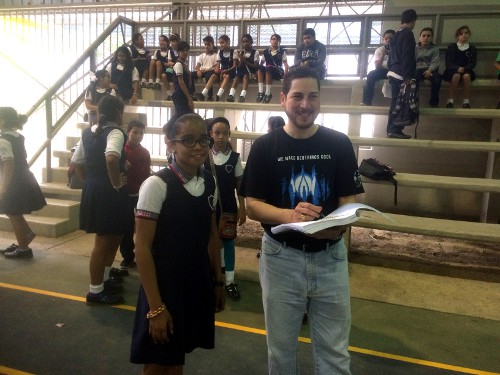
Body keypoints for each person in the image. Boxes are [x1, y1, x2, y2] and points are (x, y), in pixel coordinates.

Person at [240, 66, 364, 374]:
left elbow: (349, 202)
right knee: (281, 353)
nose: (305, 104)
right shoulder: (265, 147)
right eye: (297, 96)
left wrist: (335, 225)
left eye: (312, 96)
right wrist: (291, 217)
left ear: (320, 100)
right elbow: (252, 205)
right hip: (281, 258)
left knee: (335, 353)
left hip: (330, 257)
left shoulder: (338, 144)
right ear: (282, 99)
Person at [130, 113, 225, 374]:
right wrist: (156, 307)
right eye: (188, 140)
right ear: (171, 144)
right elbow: (142, 248)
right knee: (159, 361)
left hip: (195, 283)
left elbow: (212, 237)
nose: (198, 146)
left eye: (203, 139)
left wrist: (217, 281)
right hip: (164, 287)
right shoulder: (156, 185)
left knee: (176, 358)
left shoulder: (208, 183)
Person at [71, 95, 134, 305]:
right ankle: (95, 291)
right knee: (103, 242)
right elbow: (111, 157)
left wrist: (90, 181)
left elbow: (77, 161)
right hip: (110, 192)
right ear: (118, 113)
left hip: (96, 188)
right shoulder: (115, 132)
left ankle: (104, 281)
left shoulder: (89, 132)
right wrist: (115, 182)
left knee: (114, 236)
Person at [206, 117, 246, 301]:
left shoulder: (235, 158)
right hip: (207, 209)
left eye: (225, 133)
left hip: (228, 208)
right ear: (211, 134)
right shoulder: (204, 156)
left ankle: (229, 281)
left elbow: (240, 185)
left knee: (228, 243)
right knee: (209, 242)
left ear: (229, 135)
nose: (221, 137)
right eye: (217, 133)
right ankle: (212, 278)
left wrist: (242, 208)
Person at [0, 107, 46, 259]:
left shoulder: (3, 139)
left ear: (3, 121)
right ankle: (26, 235)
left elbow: (8, 164)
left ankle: (24, 248)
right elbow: (23, 155)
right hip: (24, 176)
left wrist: (3, 187)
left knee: (12, 212)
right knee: (14, 211)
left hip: (13, 181)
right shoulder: (18, 136)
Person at [119, 120, 151, 270]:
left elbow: (146, 174)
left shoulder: (144, 153)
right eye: (135, 132)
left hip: (140, 194)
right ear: (128, 132)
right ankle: (127, 256)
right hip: (123, 194)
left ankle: (144, 256)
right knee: (126, 225)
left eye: (141, 133)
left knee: (143, 226)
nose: (138, 136)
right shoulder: (120, 150)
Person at [386, 9, 418, 139]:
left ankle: (390, 129)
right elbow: (407, 56)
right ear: (413, 21)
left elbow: (390, 58)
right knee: (401, 102)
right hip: (401, 73)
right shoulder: (408, 34)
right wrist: (407, 77)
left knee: (394, 102)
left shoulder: (395, 36)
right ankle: (395, 129)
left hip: (393, 71)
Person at [442, 25, 477, 109]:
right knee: (456, 76)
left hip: (466, 70)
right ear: (457, 36)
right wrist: (457, 68)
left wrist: (465, 68)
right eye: (461, 33)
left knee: (466, 76)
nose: (464, 35)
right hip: (452, 70)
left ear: (469, 35)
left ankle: (466, 101)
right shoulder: (451, 47)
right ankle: (450, 100)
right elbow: (448, 62)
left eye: (466, 33)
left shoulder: (472, 48)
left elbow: (473, 63)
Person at [197, 35, 238, 102]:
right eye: (220, 43)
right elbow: (218, 65)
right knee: (213, 76)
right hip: (222, 71)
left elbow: (234, 66)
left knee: (227, 76)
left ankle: (218, 95)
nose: (221, 45)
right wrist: (218, 71)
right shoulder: (220, 52)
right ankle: (203, 94)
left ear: (228, 42)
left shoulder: (234, 52)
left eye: (223, 43)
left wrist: (226, 71)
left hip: (231, 72)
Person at [360, 29, 395, 106]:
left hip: (394, 70)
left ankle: (397, 103)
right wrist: (383, 55)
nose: (388, 40)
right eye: (386, 38)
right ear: (383, 40)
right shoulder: (379, 50)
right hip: (382, 70)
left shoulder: (398, 49)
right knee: (371, 75)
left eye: (391, 38)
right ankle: (367, 101)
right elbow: (377, 66)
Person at [226, 34, 259, 103]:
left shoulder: (255, 52)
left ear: (251, 42)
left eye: (247, 42)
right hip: (241, 71)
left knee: (245, 76)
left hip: (250, 72)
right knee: (236, 77)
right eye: (243, 42)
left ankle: (242, 96)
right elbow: (239, 67)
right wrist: (240, 60)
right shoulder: (241, 53)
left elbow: (256, 66)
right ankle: (231, 94)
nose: (245, 44)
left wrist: (245, 61)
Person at [257, 34, 289, 104]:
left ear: (279, 41)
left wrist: (286, 75)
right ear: (270, 41)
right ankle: (261, 92)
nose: (275, 41)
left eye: (277, 39)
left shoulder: (282, 52)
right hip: (268, 71)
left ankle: (268, 93)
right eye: (273, 39)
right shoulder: (266, 52)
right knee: (260, 68)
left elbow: (286, 64)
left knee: (268, 68)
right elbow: (261, 63)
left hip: (277, 72)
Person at [415, 27, 442, 108]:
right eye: (423, 35)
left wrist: (429, 70)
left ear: (431, 38)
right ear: (420, 37)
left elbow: (435, 62)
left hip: (430, 70)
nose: (426, 38)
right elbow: (411, 61)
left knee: (437, 79)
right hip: (417, 69)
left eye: (428, 36)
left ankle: (434, 103)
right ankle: (413, 101)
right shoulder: (414, 48)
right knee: (413, 78)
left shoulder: (435, 49)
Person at [190, 35, 218, 101]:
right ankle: (193, 93)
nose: (206, 46)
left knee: (208, 76)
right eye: (205, 44)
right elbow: (197, 66)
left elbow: (216, 66)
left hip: (211, 71)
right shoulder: (202, 56)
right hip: (203, 71)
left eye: (208, 44)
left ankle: (210, 96)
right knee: (190, 74)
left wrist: (207, 69)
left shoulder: (216, 55)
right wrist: (198, 71)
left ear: (212, 45)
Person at [172, 41, 194, 116]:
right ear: (178, 52)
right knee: (182, 117)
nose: (185, 52)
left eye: (186, 50)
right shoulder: (178, 64)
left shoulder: (185, 64)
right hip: (180, 95)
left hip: (184, 95)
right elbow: (181, 83)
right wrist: (189, 98)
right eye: (182, 50)